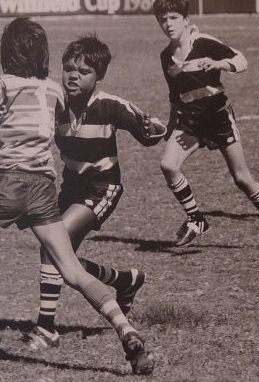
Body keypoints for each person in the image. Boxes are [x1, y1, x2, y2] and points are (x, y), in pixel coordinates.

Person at [0, 18, 154, 376]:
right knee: (70, 269)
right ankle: (128, 332)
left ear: (6, 51)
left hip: (7, 186)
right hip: (44, 189)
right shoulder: (53, 91)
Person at [24, 34, 166, 352]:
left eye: (84, 71)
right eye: (68, 68)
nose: (73, 75)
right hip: (70, 189)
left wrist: (156, 128)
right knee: (63, 257)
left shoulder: (110, 106)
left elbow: (152, 131)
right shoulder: (54, 104)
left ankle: (46, 328)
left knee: (52, 244)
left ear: (98, 76)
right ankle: (123, 279)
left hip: (104, 188)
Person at [152, 0, 259, 249]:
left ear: (185, 18)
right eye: (162, 19)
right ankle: (196, 218)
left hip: (218, 116)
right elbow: (175, 96)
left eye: (173, 17)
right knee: (168, 165)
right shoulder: (165, 57)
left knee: (242, 178)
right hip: (190, 120)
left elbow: (241, 61)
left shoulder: (204, 42)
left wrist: (218, 64)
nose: (168, 24)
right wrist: (170, 127)